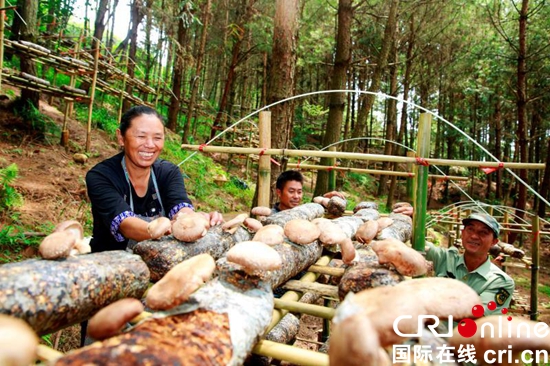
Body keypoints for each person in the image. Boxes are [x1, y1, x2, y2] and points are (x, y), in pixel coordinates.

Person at [86, 105, 223, 253]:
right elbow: (126, 225)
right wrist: (166, 228)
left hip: (160, 260)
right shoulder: (102, 176)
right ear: (121, 137)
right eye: (141, 136)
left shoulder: (168, 172)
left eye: (157, 137)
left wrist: (195, 221)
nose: (150, 145)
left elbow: (180, 208)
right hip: (109, 264)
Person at [425, 212, 515, 315]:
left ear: (494, 242)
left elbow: (477, 314)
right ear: (462, 233)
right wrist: (415, 218)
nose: (474, 236)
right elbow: (420, 243)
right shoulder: (446, 259)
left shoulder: (500, 281)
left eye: (483, 232)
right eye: (470, 229)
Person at [272, 170, 344, 214]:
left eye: (299, 192)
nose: (296, 196)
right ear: (279, 192)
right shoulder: (271, 217)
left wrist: (327, 199)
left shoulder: (305, 212)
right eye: (291, 191)